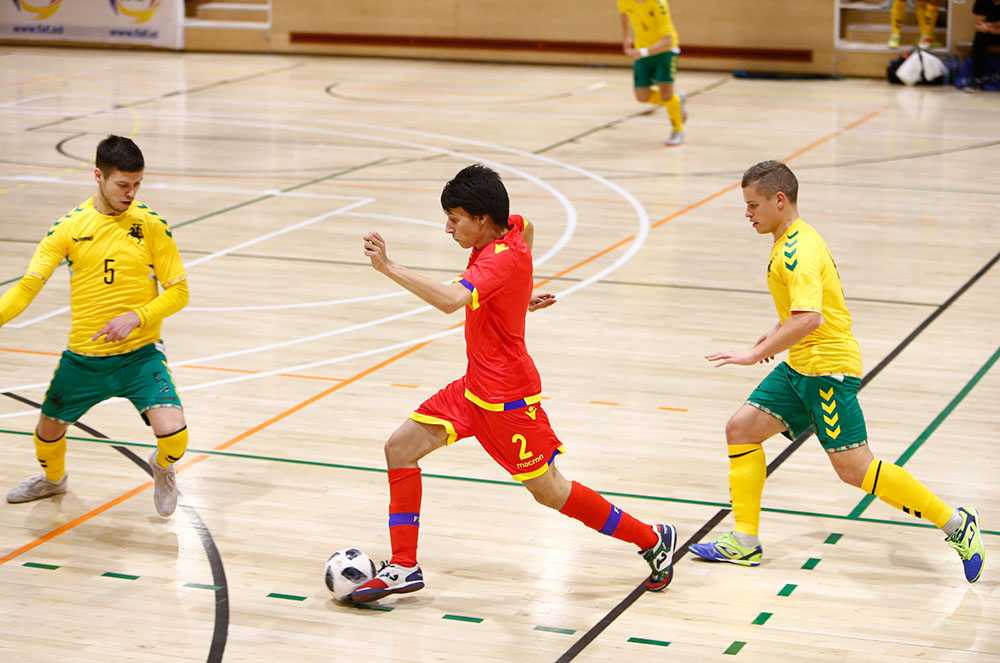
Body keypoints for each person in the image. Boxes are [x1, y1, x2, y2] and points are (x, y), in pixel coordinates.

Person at [350, 164, 677, 603]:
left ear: (482, 219)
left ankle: (652, 539)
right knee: (399, 448)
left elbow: (450, 301)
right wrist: (518, 297)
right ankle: (404, 566)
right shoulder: (512, 230)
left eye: (454, 219)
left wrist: (388, 265)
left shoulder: (497, 258)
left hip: (506, 400)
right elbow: (530, 228)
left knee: (551, 492)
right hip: (473, 389)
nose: (448, 229)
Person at [688, 160, 985, 584]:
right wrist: (774, 332)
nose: (747, 214)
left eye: (753, 205)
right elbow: (809, 309)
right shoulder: (791, 237)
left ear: (779, 199)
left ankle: (957, 523)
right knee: (741, 429)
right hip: (801, 366)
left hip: (826, 371)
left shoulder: (797, 250)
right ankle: (745, 541)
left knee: (854, 469)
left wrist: (755, 355)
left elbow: (810, 319)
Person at [0, 135, 189, 517]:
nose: (131, 193)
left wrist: (137, 316)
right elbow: (25, 289)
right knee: (47, 434)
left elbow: (179, 291)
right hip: (84, 359)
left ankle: (163, 467)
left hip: (140, 355)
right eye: (123, 184)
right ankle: (53, 481)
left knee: (174, 434)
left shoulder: (152, 225)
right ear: (98, 176)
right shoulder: (67, 229)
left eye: (137, 184)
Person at [618, 0, 687, 146]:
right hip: (642, 49)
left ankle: (678, 131)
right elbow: (624, 14)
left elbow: (667, 41)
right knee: (642, 96)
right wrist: (627, 38)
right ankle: (677, 101)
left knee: (666, 95)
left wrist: (642, 52)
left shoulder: (658, 4)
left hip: (665, 51)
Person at [964, 0, 1000, 91]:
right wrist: (992, 28)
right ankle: (976, 79)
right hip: (987, 33)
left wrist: (990, 26)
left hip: (991, 30)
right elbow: (980, 25)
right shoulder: (981, 1)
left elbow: (986, 26)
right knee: (978, 41)